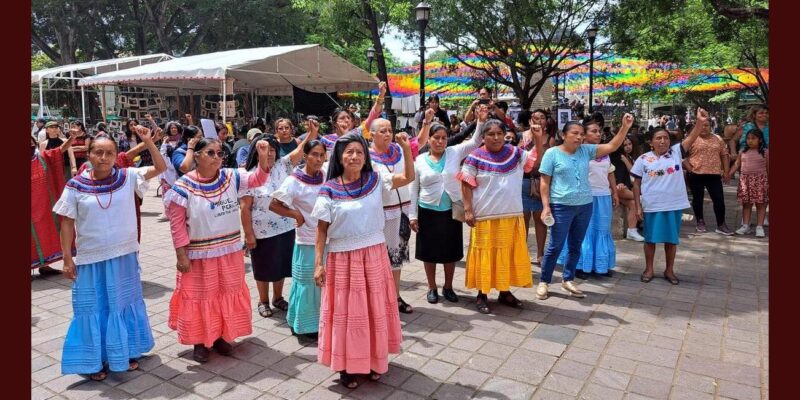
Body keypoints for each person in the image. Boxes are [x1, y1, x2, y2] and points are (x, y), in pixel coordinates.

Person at [54, 127, 165, 381]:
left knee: (122, 304)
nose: (103, 157)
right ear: (88, 155)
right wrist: (67, 259)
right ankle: (92, 361)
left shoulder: (128, 177)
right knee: (93, 307)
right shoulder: (75, 186)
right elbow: (67, 222)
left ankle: (124, 352)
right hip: (91, 259)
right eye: (98, 152)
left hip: (124, 255)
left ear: (117, 156)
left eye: (109, 153)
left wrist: (148, 143)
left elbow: (160, 169)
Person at [311, 131, 413, 388]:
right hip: (342, 259)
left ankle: (371, 361)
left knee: (372, 310)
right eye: (349, 152)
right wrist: (319, 264)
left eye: (359, 152)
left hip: (374, 254)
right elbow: (321, 229)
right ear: (340, 157)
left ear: (366, 156)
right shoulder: (329, 188)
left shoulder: (376, 179)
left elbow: (408, 177)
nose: (354, 156)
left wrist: (407, 150)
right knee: (346, 314)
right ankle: (346, 366)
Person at [163, 137, 273, 363]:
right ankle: (200, 342)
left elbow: (257, 179)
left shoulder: (231, 177)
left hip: (228, 251)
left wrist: (262, 158)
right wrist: (181, 255)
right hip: (199, 255)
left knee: (225, 293)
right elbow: (177, 226)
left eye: (220, 153)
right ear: (198, 156)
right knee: (200, 296)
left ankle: (221, 335)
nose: (217, 157)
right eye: (210, 153)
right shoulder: (183, 186)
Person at [537, 114, 634, 300]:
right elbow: (544, 182)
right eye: (575, 133)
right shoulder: (552, 154)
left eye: (582, 134)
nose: (579, 137)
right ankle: (544, 281)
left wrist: (625, 127)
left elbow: (612, 146)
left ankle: (568, 279)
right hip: (561, 206)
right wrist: (546, 206)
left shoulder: (586, 151)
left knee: (576, 245)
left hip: (584, 205)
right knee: (555, 245)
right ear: (563, 135)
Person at [458, 118, 543, 314]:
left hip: (511, 215)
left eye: (499, 134)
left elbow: (532, 161)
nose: (496, 138)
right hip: (485, 217)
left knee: (507, 253)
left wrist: (538, 139)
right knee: (485, 254)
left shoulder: (515, 153)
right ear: (483, 137)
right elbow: (466, 184)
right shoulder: (475, 157)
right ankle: (482, 293)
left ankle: (504, 291)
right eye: (490, 134)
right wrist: (468, 210)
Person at [409, 107, 484, 304]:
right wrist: (412, 215)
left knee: (451, 251)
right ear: (429, 139)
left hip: (451, 209)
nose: (440, 141)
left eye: (443, 137)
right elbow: (413, 189)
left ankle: (449, 287)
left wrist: (481, 121)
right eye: (436, 137)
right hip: (427, 210)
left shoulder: (454, 152)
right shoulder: (419, 161)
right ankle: (432, 287)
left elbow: (476, 142)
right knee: (429, 252)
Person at [241, 127, 317, 318]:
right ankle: (263, 300)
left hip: (286, 226)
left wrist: (312, 133)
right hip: (261, 231)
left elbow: (300, 151)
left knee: (281, 265)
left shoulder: (283, 165)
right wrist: (248, 234)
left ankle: (278, 298)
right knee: (263, 267)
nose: (270, 153)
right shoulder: (248, 175)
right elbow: (244, 208)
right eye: (265, 149)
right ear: (256, 151)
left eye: (273, 149)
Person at [631, 108, 706, 285]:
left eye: (665, 138)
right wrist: (638, 207)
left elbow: (692, 137)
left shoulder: (676, 152)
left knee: (671, 240)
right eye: (658, 138)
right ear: (651, 142)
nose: (663, 141)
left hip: (673, 205)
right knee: (650, 239)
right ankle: (649, 269)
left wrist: (700, 122)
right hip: (652, 205)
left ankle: (669, 270)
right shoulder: (642, 159)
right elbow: (636, 184)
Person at [269, 124, 325, 336]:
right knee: (306, 284)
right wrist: (296, 215)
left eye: (322, 155)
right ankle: (302, 325)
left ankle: (321, 322)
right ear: (305, 156)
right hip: (306, 240)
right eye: (314, 155)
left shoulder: (326, 174)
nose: (318, 159)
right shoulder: (294, 181)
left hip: (326, 239)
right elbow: (274, 204)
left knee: (322, 284)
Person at [556, 116, 621, 279]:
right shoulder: (579, 152)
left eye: (599, 131)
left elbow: (610, 173)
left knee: (602, 230)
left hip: (603, 196)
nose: (598, 134)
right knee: (584, 232)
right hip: (585, 197)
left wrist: (614, 192)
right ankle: (579, 266)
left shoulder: (604, 153)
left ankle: (601, 266)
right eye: (594, 131)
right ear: (584, 135)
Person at [31, 133, 75, 275]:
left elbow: (60, 150)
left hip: (44, 207)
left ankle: (45, 265)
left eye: (31, 143)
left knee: (46, 233)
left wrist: (71, 139)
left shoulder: (42, 158)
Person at [684, 118, 733, 235]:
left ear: (711, 126)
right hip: (696, 174)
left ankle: (721, 224)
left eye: (707, 125)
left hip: (714, 174)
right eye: (701, 125)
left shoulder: (718, 139)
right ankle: (700, 221)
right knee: (697, 199)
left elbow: (724, 155)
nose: (704, 127)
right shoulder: (691, 139)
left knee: (719, 200)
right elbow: (682, 155)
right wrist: (690, 169)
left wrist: (726, 172)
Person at [521, 109, 550, 265]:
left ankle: (540, 254)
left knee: (540, 220)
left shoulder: (551, 139)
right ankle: (522, 252)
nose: (538, 120)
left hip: (541, 182)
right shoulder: (523, 137)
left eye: (542, 118)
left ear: (546, 121)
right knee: (523, 219)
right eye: (535, 118)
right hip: (523, 181)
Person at [729, 128, 768, 237]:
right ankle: (746, 225)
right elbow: (737, 164)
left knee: (761, 205)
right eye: (748, 139)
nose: (750, 141)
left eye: (753, 138)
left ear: (760, 140)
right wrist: (728, 174)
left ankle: (759, 226)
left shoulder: (765, 152)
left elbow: (769, 168)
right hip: (745, 181)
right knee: (746, 204)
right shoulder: (743, 152)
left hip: (760, 181)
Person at [611, 136, 645, 241]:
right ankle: (642, 199)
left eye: (629, 144)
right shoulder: (616, 157)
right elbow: (616, 173)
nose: (628, 147)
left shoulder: (629, 157)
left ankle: (632, 231)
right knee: (639, 199)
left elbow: (631, 175)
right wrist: (619, 183)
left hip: (623, 189)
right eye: (625, 145)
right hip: (612, 188)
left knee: (634, 204)